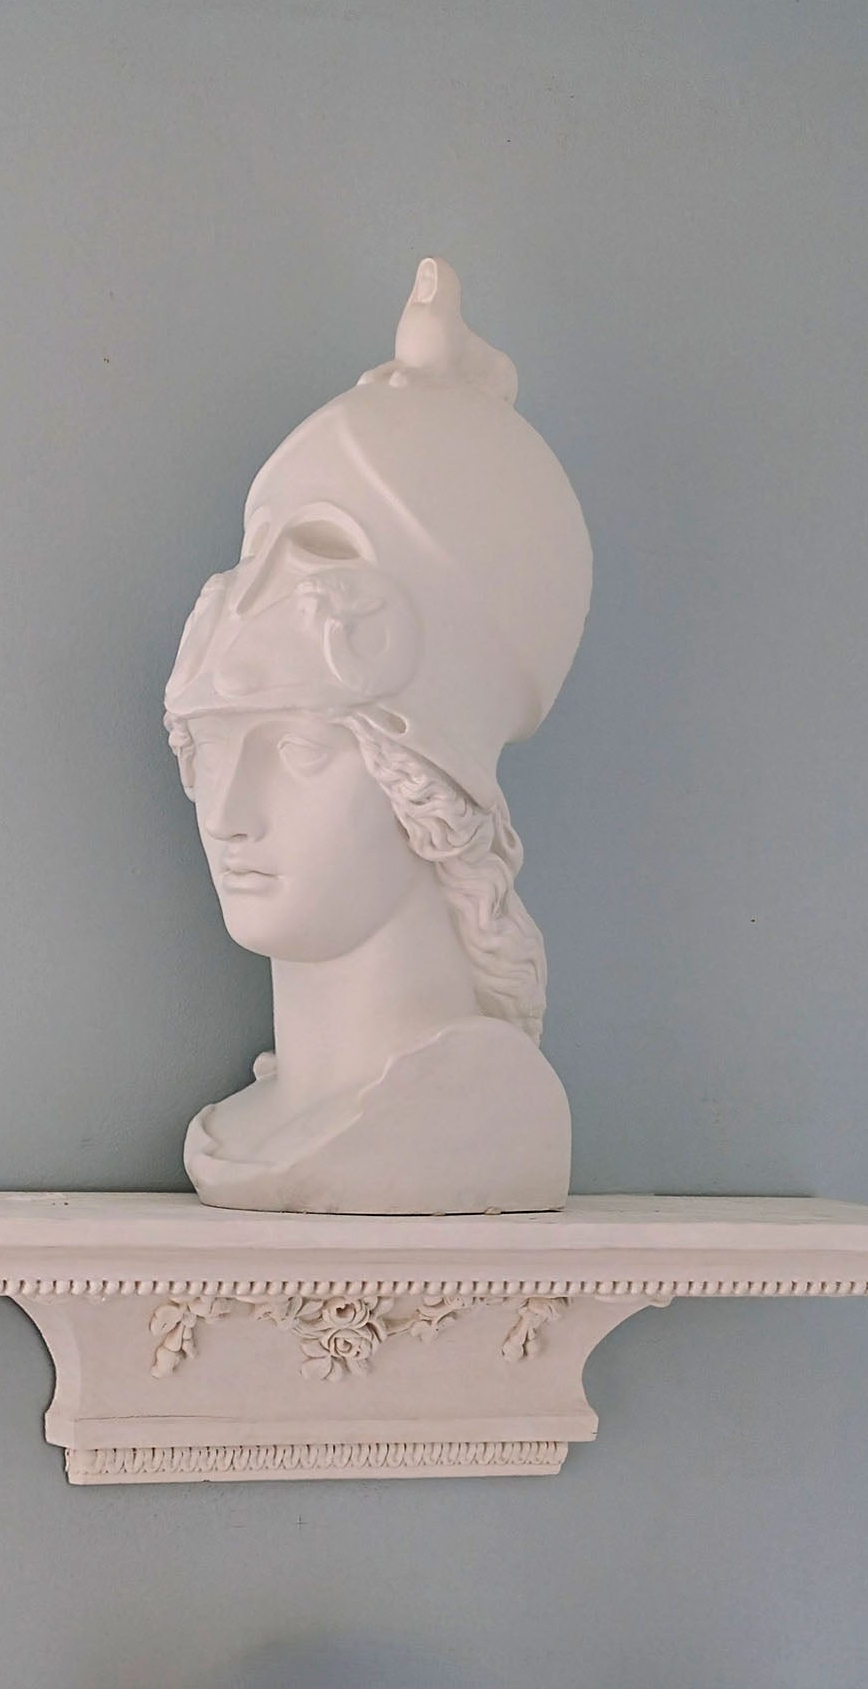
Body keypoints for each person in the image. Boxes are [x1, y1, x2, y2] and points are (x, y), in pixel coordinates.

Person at [164, 259, 592, 1214]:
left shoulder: (475, 1117)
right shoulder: (246, 1128)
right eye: (208, 749)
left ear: (428, 784)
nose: (227, 816)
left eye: (300, 749)